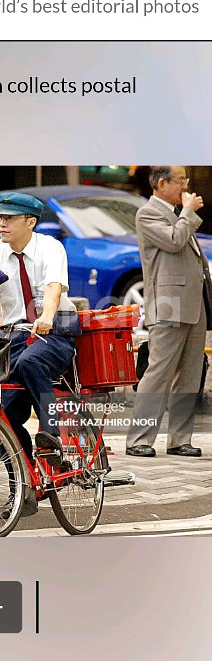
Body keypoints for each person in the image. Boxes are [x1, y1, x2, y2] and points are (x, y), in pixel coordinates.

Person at [0, 191, 77, 518]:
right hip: (15, 335)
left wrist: (45, 316)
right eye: (0, 218)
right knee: (2, 414)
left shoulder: (50, 247)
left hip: (55, 328)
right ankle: (24, 487)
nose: (2, 223)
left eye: (10, 219)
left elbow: (53, 288)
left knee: (33, 361)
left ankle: (52, 436)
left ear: (30, 222)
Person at [126, 166, 212, 458]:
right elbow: (174, 241)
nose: (185, 187)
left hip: (193, 304)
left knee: (190, 373)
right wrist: (188, 212)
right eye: (181, 181)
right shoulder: (147, 214)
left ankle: (179, 439)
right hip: (168, 304)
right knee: (159, 373)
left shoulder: (177, 213)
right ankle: (139, 439)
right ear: (161, 183)